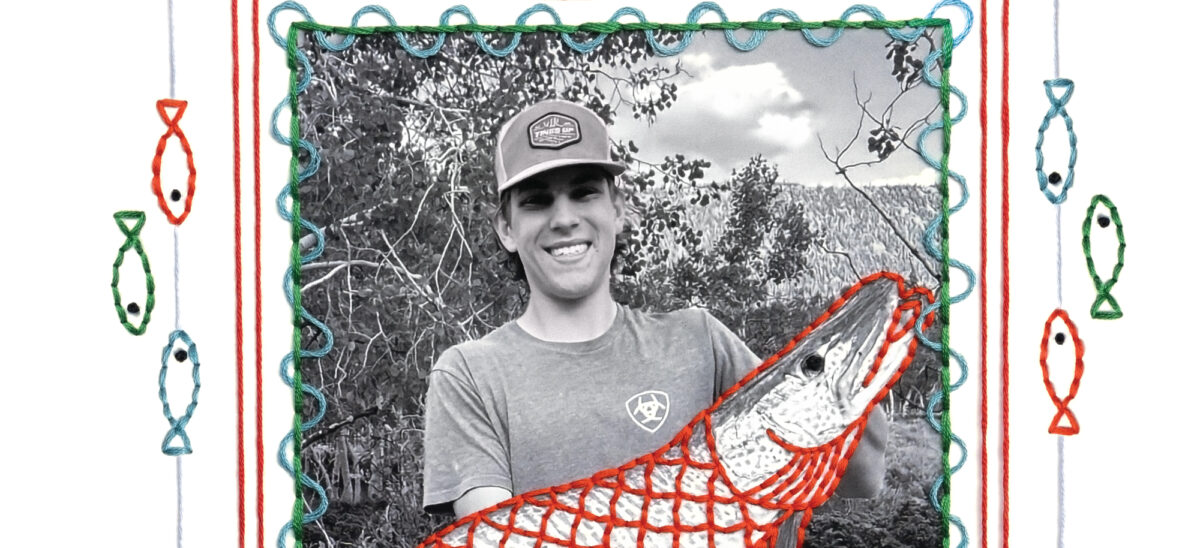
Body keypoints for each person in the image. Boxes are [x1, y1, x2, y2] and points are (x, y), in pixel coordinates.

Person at [421, 100, 887, 535]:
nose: (564, 218)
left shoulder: (699, 342)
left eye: (584, 193)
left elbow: (859, 477)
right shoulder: (470, 375)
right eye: (536, 201)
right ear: (506, 228)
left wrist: (841, 372)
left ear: (617, 210)